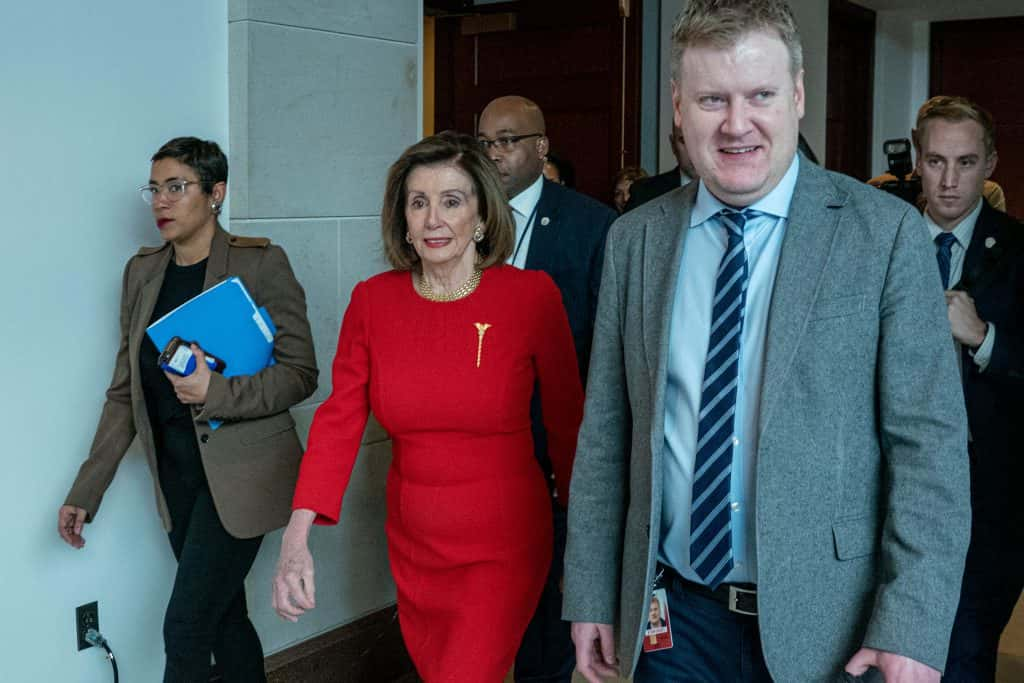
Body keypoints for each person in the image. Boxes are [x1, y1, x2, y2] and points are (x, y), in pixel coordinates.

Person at [562, 2, 971, 682]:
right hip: (674, 619)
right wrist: (591, 593)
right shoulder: (634, 239)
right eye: (711, 98)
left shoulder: (885, 234)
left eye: (760, 95)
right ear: (678, 105)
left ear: (799, 95)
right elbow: (606, 435)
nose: (735, 123)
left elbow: (928, 448)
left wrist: (914, 624)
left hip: (834, 625)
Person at [271, 131, 584, 682]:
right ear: (403, 221)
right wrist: (296, 539)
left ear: (482, 216)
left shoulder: (530, 296)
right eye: (419, 202)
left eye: (452, 201)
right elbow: (339, 421)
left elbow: (569, 429)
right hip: (415, 547)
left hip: (503, 541)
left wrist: (586, 551)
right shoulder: (373, 301)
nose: (433, 218)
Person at [58, 137, 318, 682]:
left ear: (216, 193)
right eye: (154, 189)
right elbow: (125, 390)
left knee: (185, 626)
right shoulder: (143, 274)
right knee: (224, 618)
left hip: (246, 476)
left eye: (176, 187)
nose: (161, 202)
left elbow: (300, 373)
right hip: (176, 476)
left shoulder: (260, 263)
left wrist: (216, 393)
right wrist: (88, 489)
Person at [478, 95, 616, 683]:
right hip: (480, 441)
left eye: (507, 141)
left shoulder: (592, 224)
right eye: (484, 142)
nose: (494, 154)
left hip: (554, 443)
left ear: (540, 147)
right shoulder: (462, 216)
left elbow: (604, 343)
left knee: (545, 602)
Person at [911, 95, 1024, 681]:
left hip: (989, 501)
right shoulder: (882, 239)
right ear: (916, 161)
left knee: (961, 658)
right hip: (888, 495)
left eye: (966, 162)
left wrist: (983, 339)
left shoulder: (1021, 251)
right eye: (935, 162)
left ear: (991, 164)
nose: (950, 181)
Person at [623, 122, 697, 212]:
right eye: (684, 141)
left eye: (701, 139)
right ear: (673, 144)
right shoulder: (642, 193)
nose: (694, 151)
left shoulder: (719, 191)